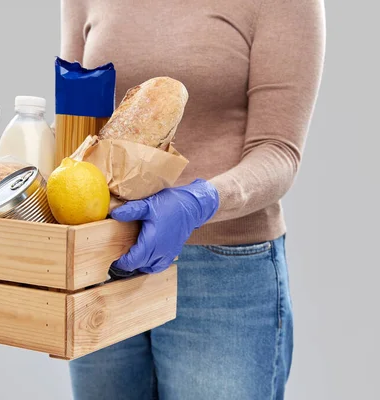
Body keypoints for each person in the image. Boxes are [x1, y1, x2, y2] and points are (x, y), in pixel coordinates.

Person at [60, 0, 325, 399]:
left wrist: (200, 201)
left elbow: (278, 151)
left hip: (221, 273)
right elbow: (77, 122)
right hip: (105, 261)